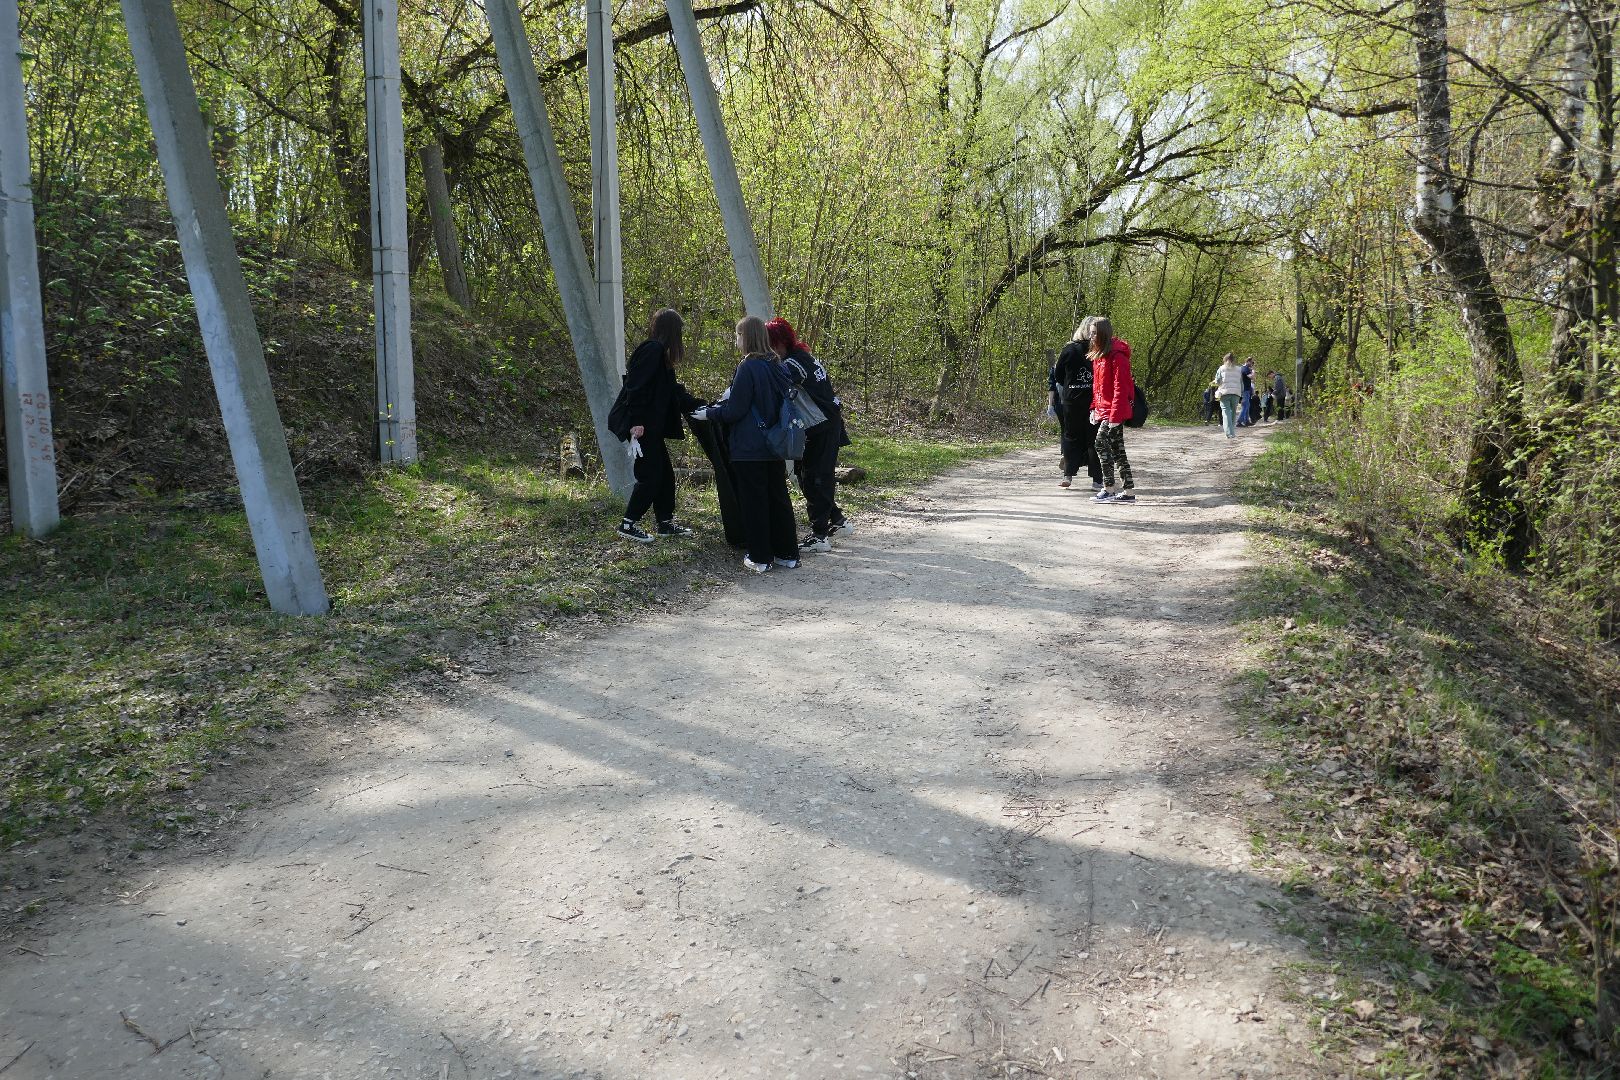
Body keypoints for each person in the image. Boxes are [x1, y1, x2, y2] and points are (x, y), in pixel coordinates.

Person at [692, 317, 801, 573]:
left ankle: (760, 557)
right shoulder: (777, 365)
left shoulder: (748, 366)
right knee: (778, 499)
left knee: (754, 502)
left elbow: (736, 410)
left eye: (738, 335)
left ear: (747, 337)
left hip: (749, 447)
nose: (736, 340)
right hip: (774, 445)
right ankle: (788, 553)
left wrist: (710, 414)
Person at [615, 308, 707, 543]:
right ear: (673, 331)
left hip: (651, 428)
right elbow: (635, 386)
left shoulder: (660, 355)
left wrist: (702, 406)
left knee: (665, 475)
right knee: (650, 475)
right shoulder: (652, 350)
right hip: (642, 427)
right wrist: (636, 423)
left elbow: (673, 393)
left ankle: (664, 523)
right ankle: (628, 523)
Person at [767, 316, 850, 553]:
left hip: (821, 426)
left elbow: (772, 378)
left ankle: (820, 535)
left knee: (816, 478)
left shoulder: (793, 364)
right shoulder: (803, 356)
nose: (768, 350)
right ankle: (837, 520)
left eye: (769, 343)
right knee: (807, 475)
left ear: (779, 342)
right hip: (823, 423)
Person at [1048, 318, 1103, 490]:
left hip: (1071, 401)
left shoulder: (1069, 349)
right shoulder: (1098, 350)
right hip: (1093, 401)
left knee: (1071, 437)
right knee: (1093, 440)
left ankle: (1068, 476)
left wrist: (1070, 384)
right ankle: (1097, 480)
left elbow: (1057, 375)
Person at [1088, 317, 1136, 503]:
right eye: (1090, 333)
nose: (1091, 337)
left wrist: (1115, 415)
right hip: (1104, 409)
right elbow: (1097, 387)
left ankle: (1108, 488)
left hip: (1115, 410)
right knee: (1117, 450)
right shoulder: (1099, 356)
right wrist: (1094, 408)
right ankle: (1128, 493)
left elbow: (1121, 388)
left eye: (1094, 333)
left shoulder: (1117, 356)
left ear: (1103, 334)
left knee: (1100, 443)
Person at [1213, 352, 1243, 438]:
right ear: (1234, 360)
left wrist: (1214, 382)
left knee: (1226, 413)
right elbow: (1241, 383)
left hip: (1224, 393)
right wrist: (1241, 393)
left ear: (1225, 360)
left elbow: (1218, 381)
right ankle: (1232, 431)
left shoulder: (1221, 369)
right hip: (1236, 393)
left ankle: (1229, 433)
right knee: (1233, 412)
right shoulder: (1239, 369)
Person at [1237, 357, 1256, 426]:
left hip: (1246, 389)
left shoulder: (1245, 368)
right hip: (1245, 390)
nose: (1252, 364)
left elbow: (1252, 378)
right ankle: (1239, 421)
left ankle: (1246, 421)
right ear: (1248, 361)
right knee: (1245, 405)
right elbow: (1251, 377)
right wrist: (1253, 372)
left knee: (1247, 405)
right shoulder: (1245, 368)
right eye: (1252, 362)